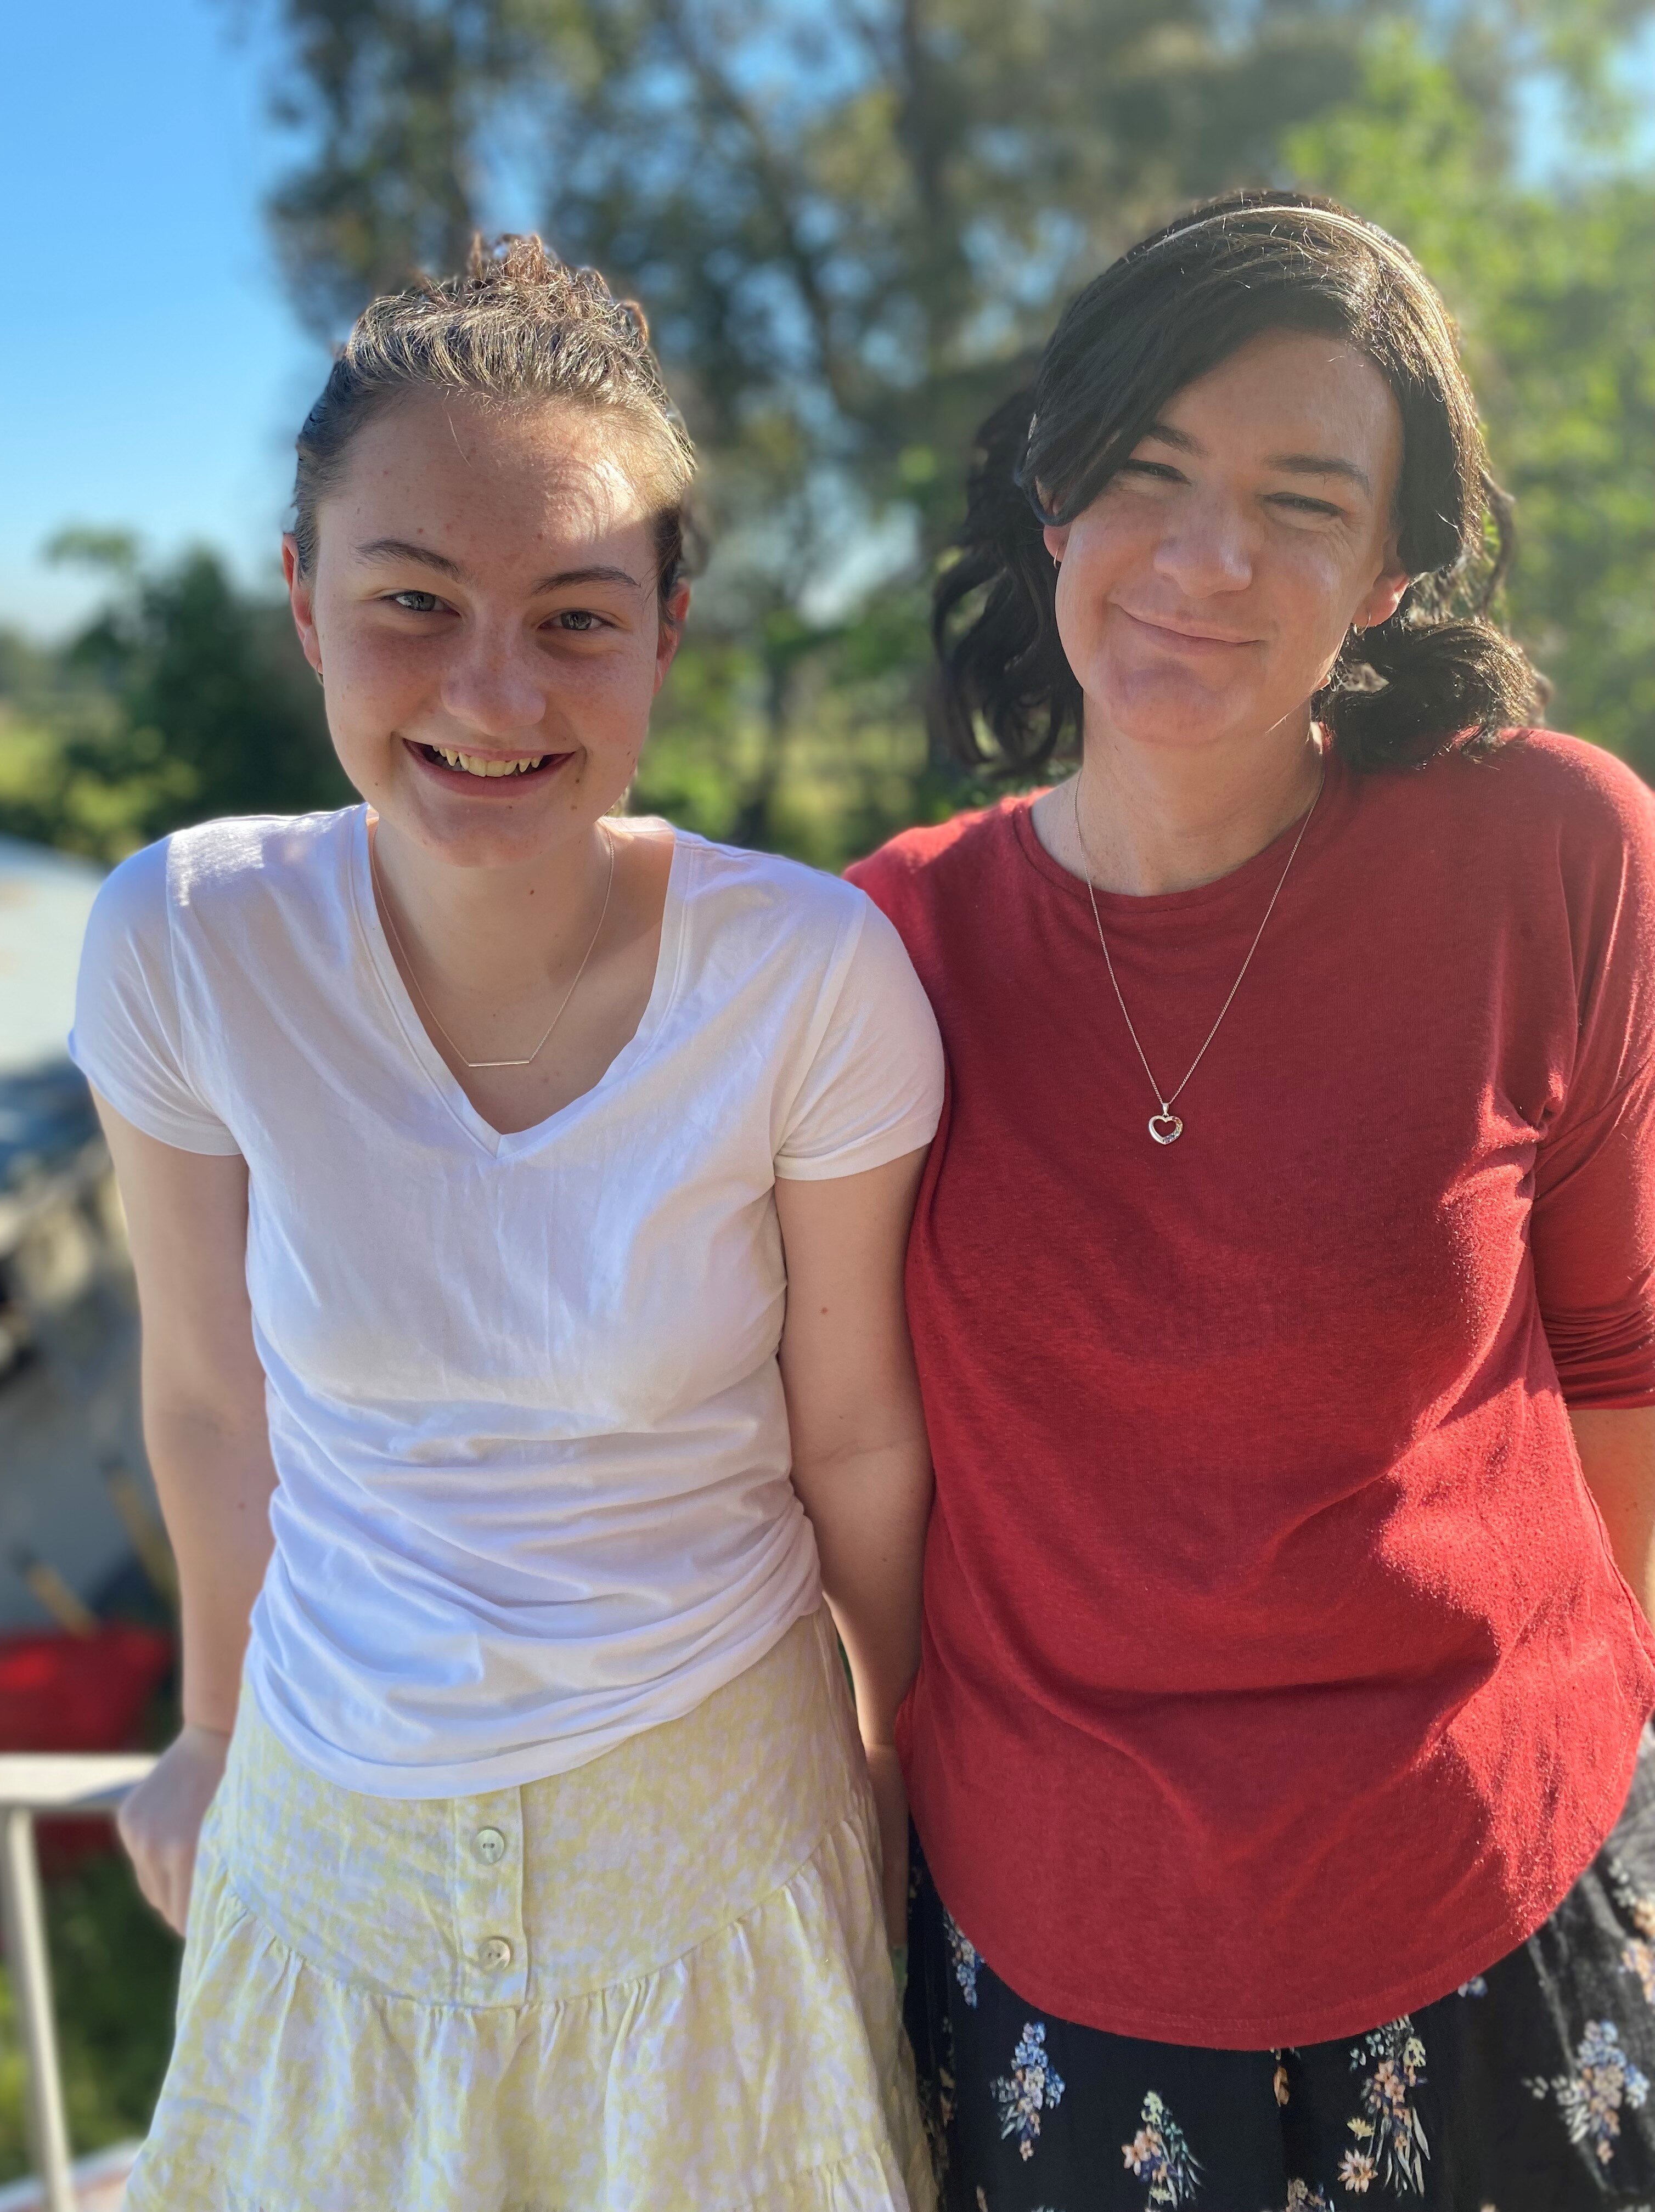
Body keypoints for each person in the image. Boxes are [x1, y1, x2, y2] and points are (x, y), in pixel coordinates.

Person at [73, 238, 941, 2212]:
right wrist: (205, 1727)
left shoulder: (808, 976)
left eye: (574, 616)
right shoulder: (188, 943)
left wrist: (902, 1789)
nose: (491, 693)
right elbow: (211, 1400)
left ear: (667, 632)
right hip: (325, 1841)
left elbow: (860, 1439)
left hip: (717, 1829)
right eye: (412, 604)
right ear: (306, 602)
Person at [847, 191, 1655, 2208]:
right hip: (1062, 1972)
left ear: (1390, 573)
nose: (1209, 562)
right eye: (1149, 472)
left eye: (1305, 503)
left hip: (1502, 1922)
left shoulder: (1553, 852)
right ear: (1056, 494)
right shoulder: (885, 948)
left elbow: (1628, 1351)